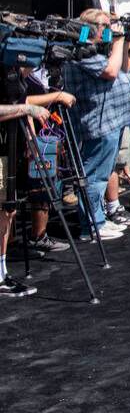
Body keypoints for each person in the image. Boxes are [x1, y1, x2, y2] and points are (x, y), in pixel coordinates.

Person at [60, 9, 130, 241]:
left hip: (110, 119)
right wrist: (119, 40)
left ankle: (98, 219)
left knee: (101, 174)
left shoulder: (96, 49)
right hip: (98, 121)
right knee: (94, 176)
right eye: (105, 25)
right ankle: (92, 226)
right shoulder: (80, 51)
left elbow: (122, 68)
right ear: (91, 27)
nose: (108, 29)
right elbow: (111, 72)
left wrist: (121, 44)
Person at [0, 101, 51, 297]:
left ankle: (2, 273)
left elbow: (21, 96)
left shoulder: (12, 75)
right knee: (4, 212)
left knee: (7, 212)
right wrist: (26, 109)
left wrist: (30, 137)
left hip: (9, 148)